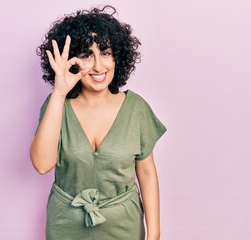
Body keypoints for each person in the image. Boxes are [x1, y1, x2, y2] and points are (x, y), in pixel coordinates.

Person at [30, 5, 166, 240]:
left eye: (105, 53)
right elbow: (42, 165)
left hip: (124, 227)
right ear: (71, 60)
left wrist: (154, 234)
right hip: (65, 225)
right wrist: (59, 93)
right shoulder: (56, 105)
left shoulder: (136, 109)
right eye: (86, 55)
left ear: (117, 57)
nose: (98, 66)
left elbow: (146, 174)